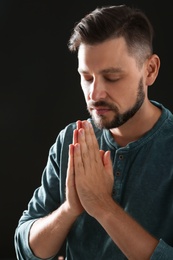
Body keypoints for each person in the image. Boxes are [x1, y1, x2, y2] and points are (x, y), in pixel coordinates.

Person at [14, 4, 173, 260]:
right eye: (86, 77)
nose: (94, 94)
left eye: (112, 78)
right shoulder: (70, 139)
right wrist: (69, 209)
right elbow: (25, 249)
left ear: (150, 70)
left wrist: (102, 205)